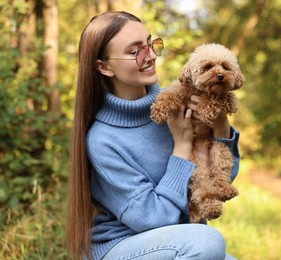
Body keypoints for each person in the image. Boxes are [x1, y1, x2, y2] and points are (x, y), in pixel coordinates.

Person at [66, 11, 240, 260]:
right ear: (104, 67)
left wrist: (221, 126)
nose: (150, 56)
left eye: (150, 43)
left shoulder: (179, 102)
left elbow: (223, 179)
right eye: (134, 51)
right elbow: (153, 219)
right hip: (122, 245)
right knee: (208, 241)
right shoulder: (102, 141)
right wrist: (181, 145)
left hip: (178, 239)